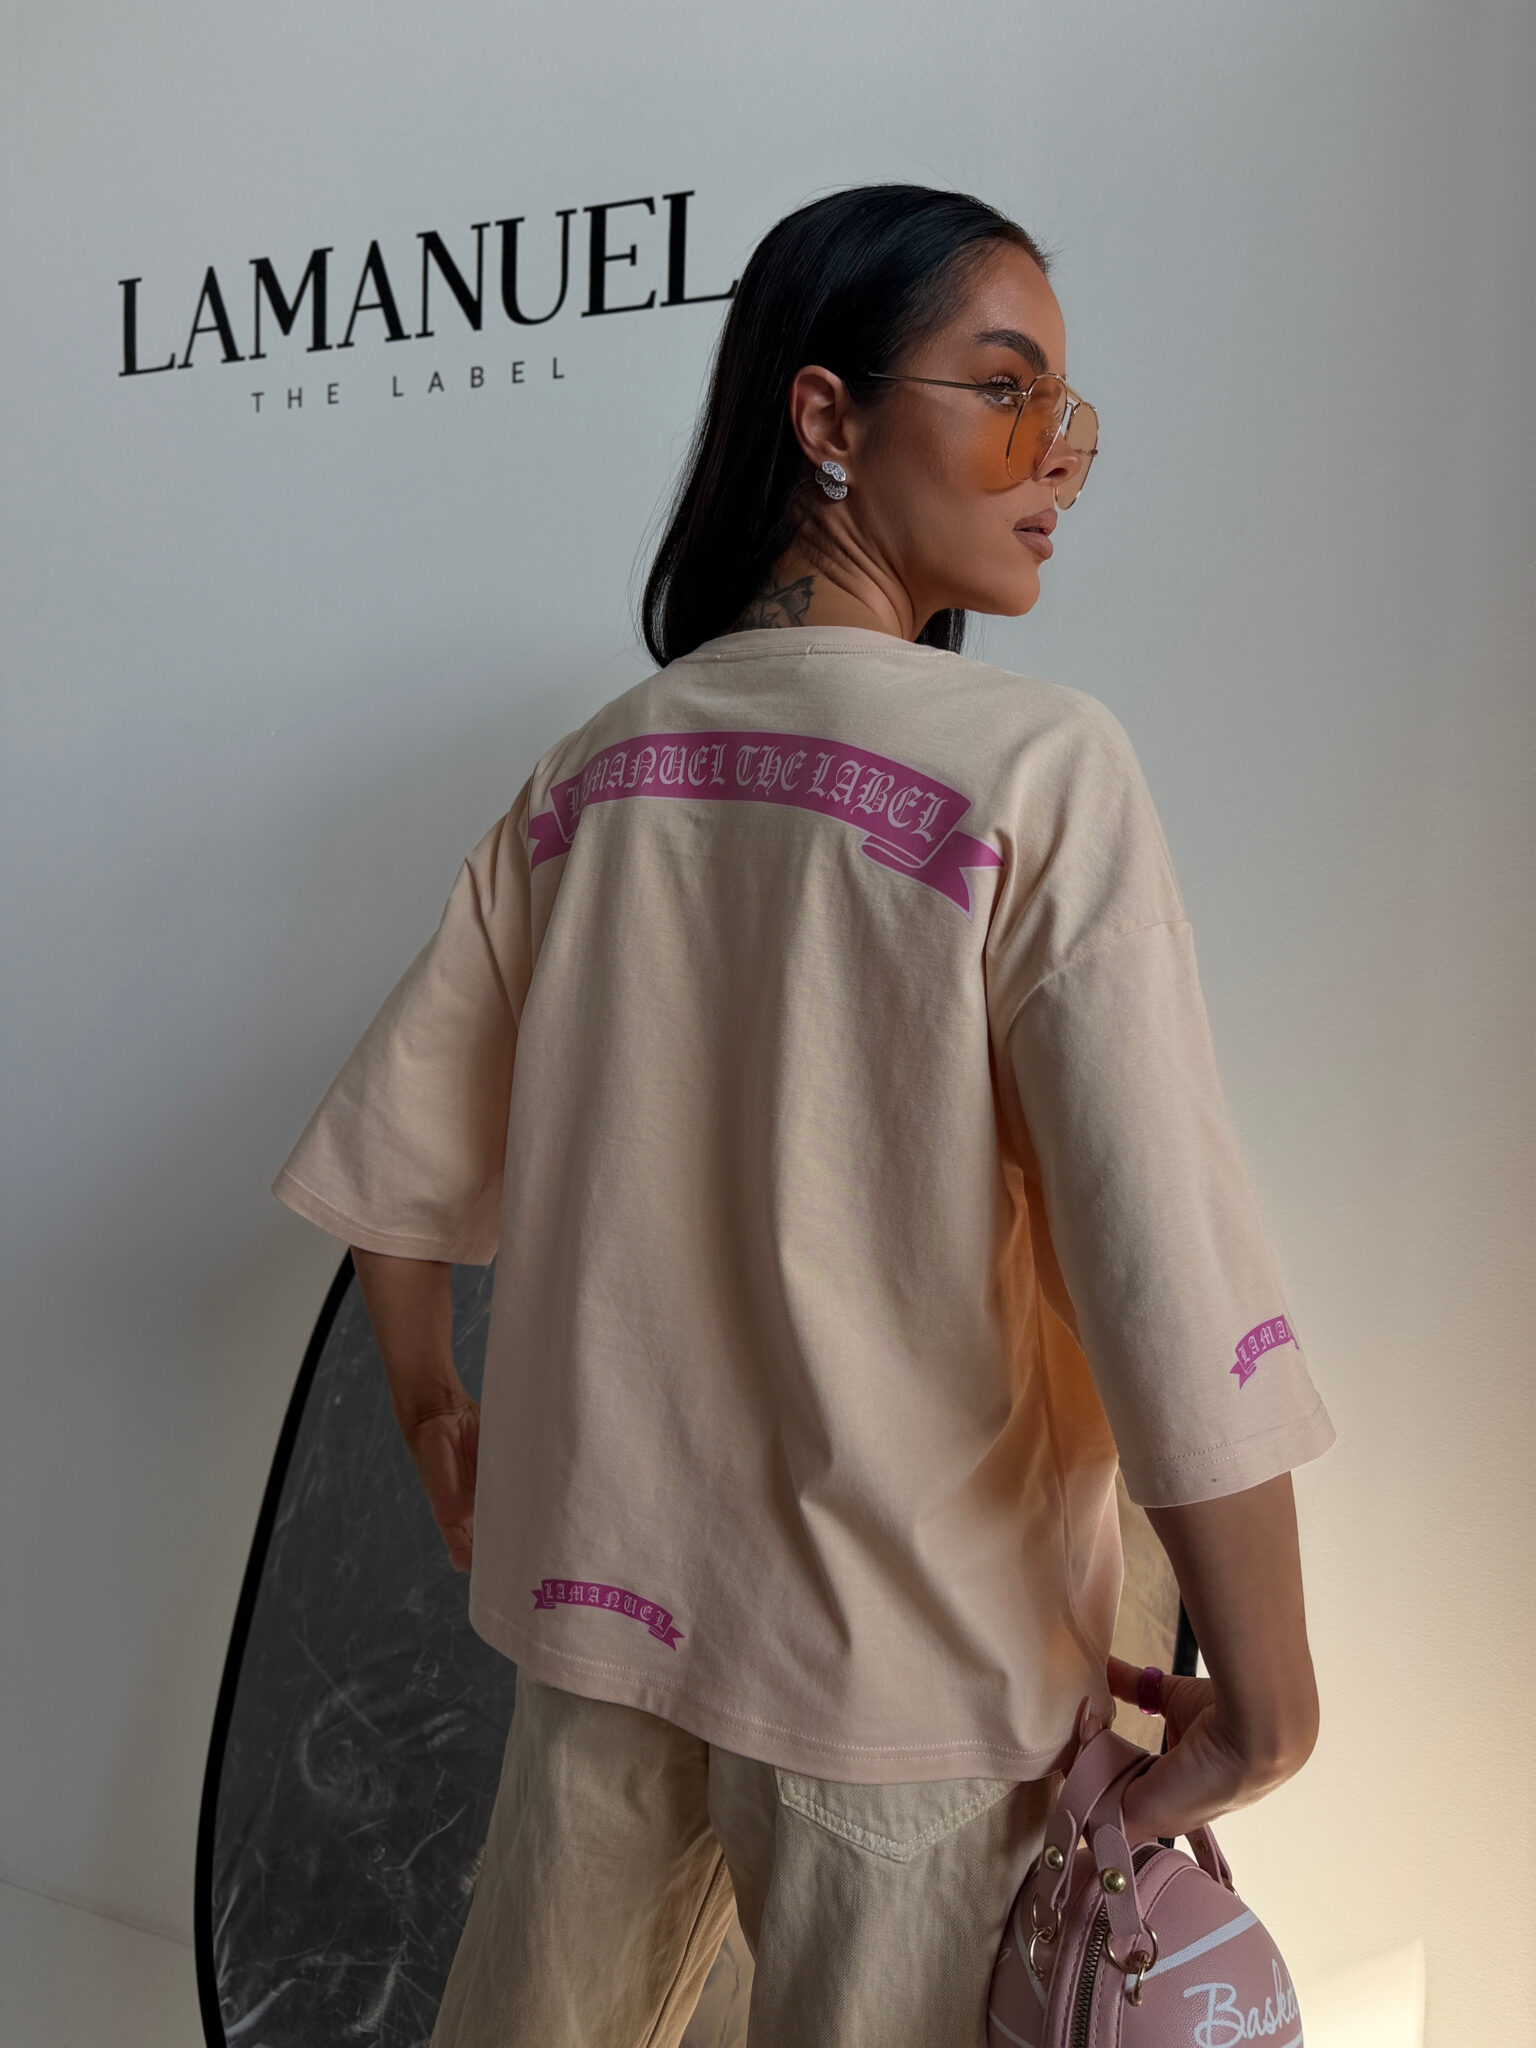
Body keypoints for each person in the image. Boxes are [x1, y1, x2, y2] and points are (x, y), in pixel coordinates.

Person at [271, 182, 1336, 2047]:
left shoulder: (595, 775)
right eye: (1005, 391)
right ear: (827, 414)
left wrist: (438, 1410)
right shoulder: (1035, 770)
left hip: (603, 1621)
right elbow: (1159, 1251)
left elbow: (396, 1166)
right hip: (906, 1681)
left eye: (1066, 413)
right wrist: (1268, 1688)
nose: (1057, 458)